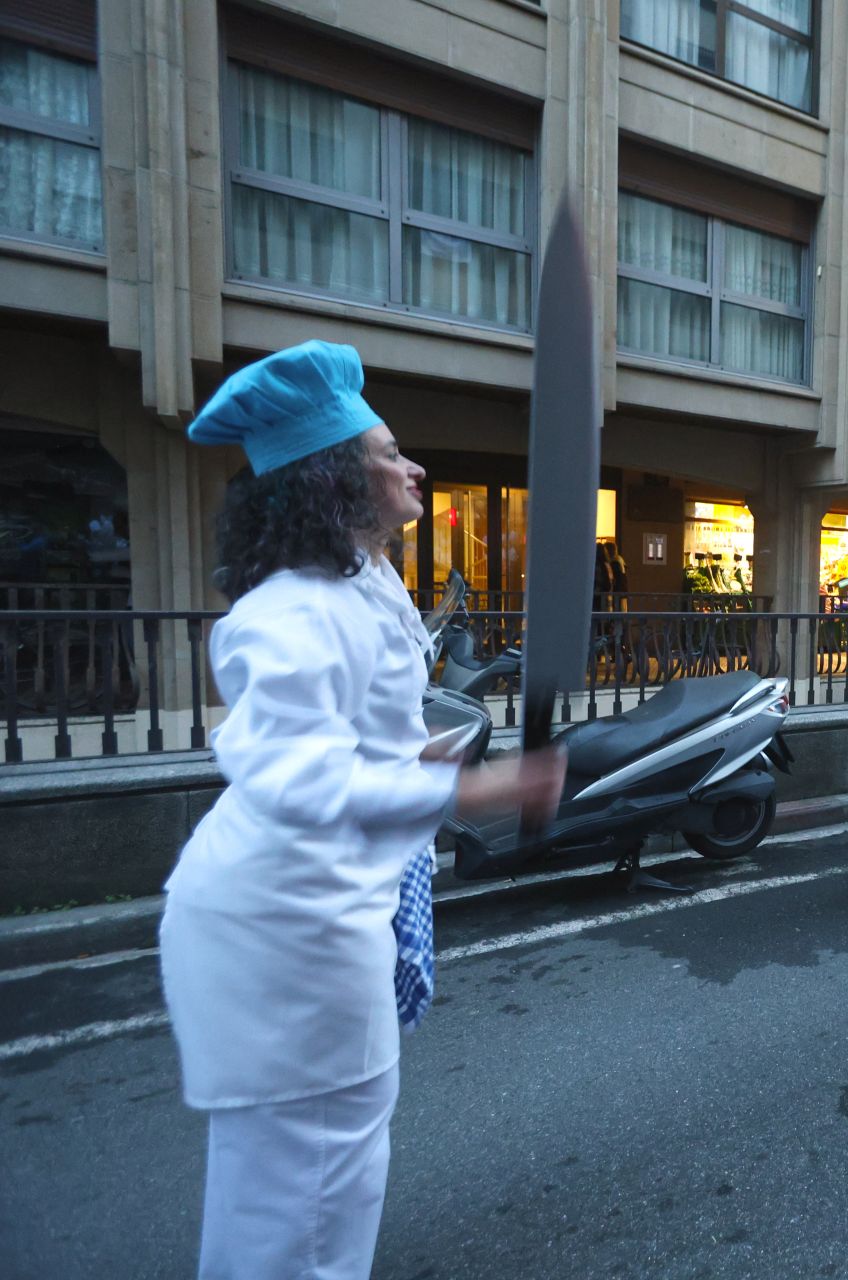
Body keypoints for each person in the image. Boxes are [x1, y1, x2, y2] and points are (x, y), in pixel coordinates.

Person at [158, 341, 565, 1278]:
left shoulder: (362, 579)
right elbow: (297, 780)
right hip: (281, 932)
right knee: (292, 1214)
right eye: (388, 453)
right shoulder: (287, 614)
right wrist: (479, 787)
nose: (412, 465)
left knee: (331, 1188)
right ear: (333, 481)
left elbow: (360, 741)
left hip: (323, 910)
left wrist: (433, 754)